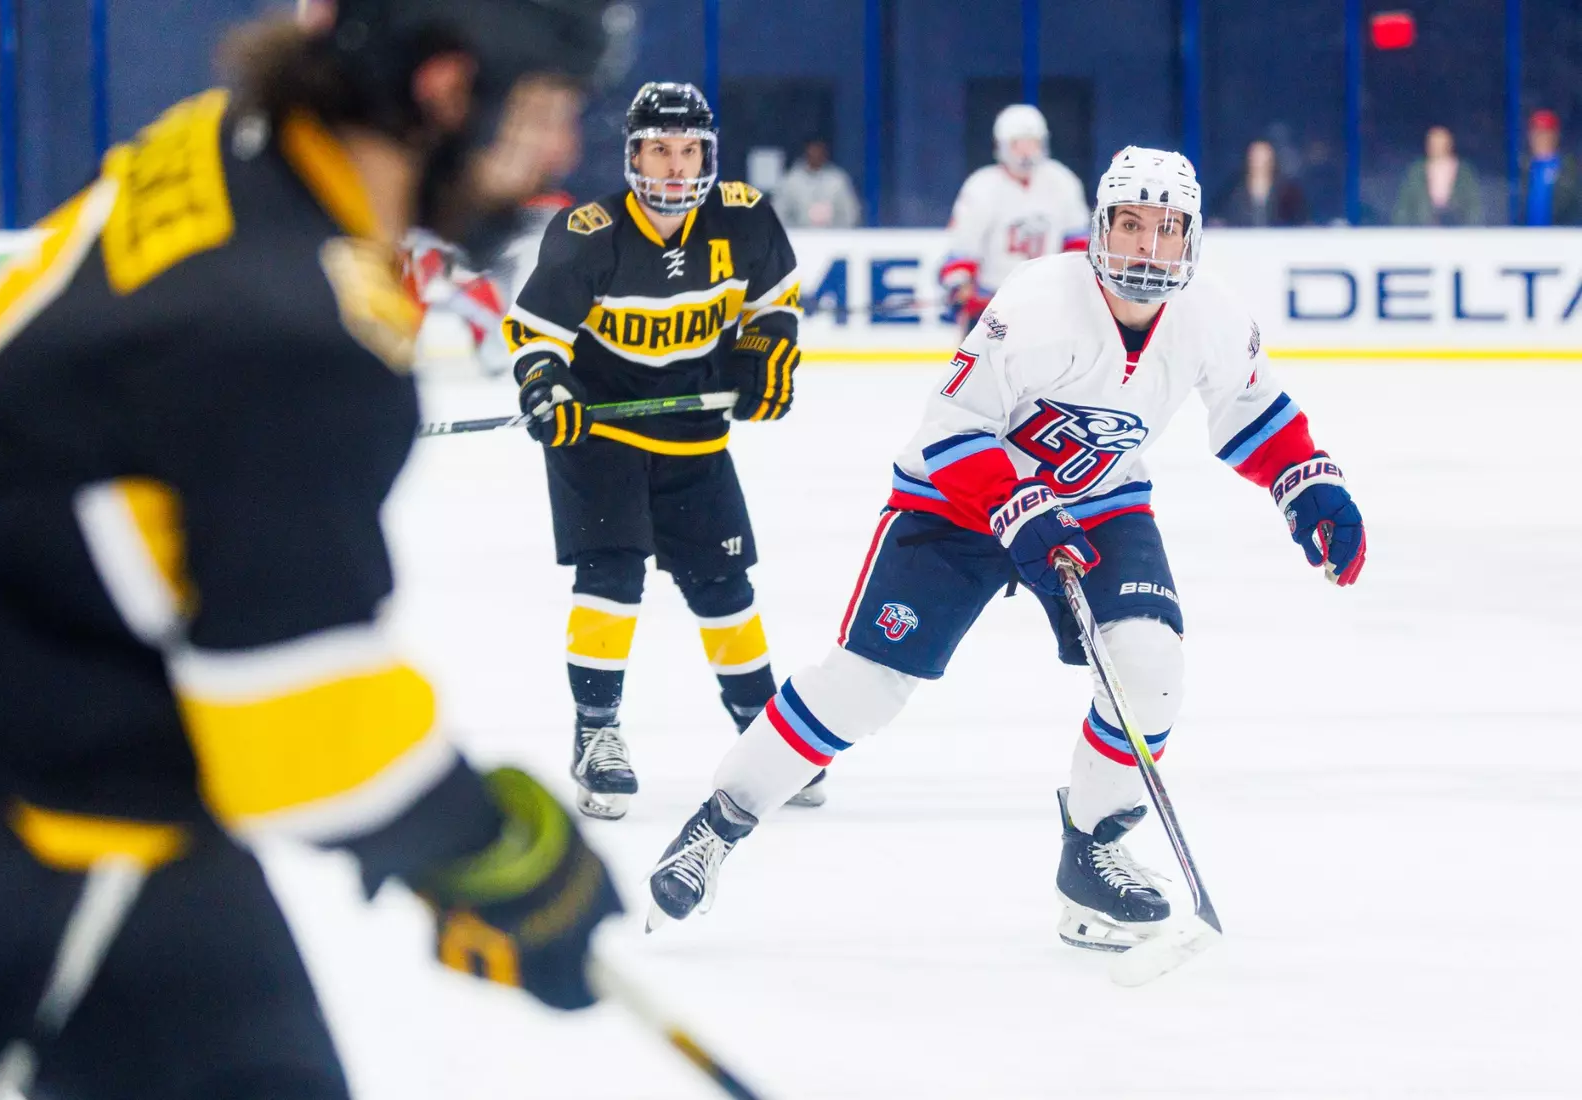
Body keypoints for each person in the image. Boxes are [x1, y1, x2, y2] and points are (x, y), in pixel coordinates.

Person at [0, 4, 630, 1098]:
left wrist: (435, 836)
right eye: (547, 109)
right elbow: (297, 730)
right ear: (447, 88)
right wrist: (495, 850)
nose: (563, 153)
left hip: (74, 732)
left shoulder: (229, 144)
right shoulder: (290, 334)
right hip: (5, 802)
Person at [646, 147, 1368, 950]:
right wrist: (1019, 510)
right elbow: (951, 429)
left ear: (1190, 238)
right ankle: (720, 821)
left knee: (1150, 668)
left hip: (1098, 505)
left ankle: (1092, 858)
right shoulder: (1038, 303)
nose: (1145, 248)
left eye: (1165, 230)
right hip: (957, 503)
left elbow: (1251, 410)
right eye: (1130, 225)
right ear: (1101, 226)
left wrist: (1307, 483)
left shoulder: (1213, 316)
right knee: (867, 686)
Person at [502, 81, 819, 821]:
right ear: (633, 156)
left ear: (708, 154)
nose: (675, 168)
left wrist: (767, 353)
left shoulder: (743, 219)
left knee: (724, 586)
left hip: (694, 429)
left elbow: (773, 302)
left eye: (688, 151)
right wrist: (548, 385)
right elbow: (534, 335)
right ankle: (597, 734)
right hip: (600, 426)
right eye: (658, 151)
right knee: (611, 575)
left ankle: (763, 741)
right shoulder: (589, 233)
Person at [939, 104, 1090, 334]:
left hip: (1046, 302)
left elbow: (1077, 244)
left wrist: (1071, 286)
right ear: (1002, 146)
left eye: (1033, 143)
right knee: (982, 369)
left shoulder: (1062, 181)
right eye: (1018, 144)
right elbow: (963, 248)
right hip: (992, 304)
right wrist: (960, 285)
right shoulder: (981, 186)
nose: (1026, 153)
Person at [1393, 125, 1482, 226]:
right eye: (1433, 144)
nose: (1436, 147)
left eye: (1440, 144)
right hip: (1422, 229)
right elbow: (1404, 204)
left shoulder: (1464, 172)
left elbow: (1474, 205)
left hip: (1457, 230)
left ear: (1449, 145)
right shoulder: (1416, 170)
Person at [1213, 139, 1309, 227]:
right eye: (1255, 157)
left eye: (1264, 158)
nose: (1259, 162)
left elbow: (1301, 219)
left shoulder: (1287, 191)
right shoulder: (1233, 189)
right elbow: (1220, 216)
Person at [772, 138, 861, 228]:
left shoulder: (837, 179)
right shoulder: (791, 180)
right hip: (799, 237)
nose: (816, 154)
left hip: (833, 238)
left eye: (819, 150)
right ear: (806, 152)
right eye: (813, 150)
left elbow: (851, 213)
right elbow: (779, 213)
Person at [1517, 109, 1582, 227]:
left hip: (1560, 238)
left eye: (1546, 133)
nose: (1541, 139)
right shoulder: (1522, 169)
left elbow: (1572, 207)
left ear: (1555, 136)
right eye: (1537, 134)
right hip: (1525, 239)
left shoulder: (1568, 170)